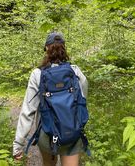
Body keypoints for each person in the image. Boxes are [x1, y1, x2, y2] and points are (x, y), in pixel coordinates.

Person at [13, 32, 88, 166]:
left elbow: (28, 111)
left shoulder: (37, 74)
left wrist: (18, 144)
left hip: (47, 134)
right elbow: (82, 100)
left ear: (46, 49)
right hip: (72, 131)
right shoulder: (75, 71)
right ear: (64, 48)